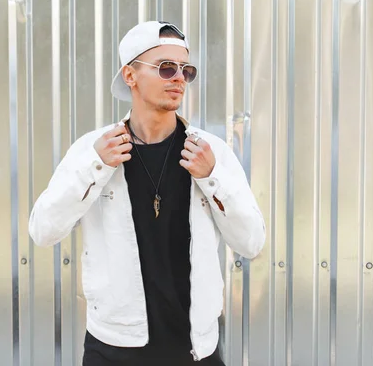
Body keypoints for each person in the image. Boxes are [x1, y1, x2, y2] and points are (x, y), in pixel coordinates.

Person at [28, 21, 266, 365]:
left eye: (186, 70)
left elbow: (252, 242)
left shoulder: (209, 152)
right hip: (113, 349)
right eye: (166, 68)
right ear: (130, 75)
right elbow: (43, 230)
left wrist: (212, 176)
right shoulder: (94, 149)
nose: (179, 78)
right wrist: (96, 165)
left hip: (196, 350)